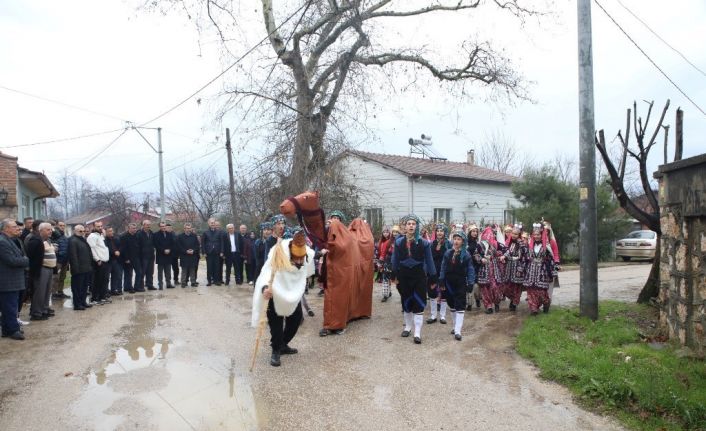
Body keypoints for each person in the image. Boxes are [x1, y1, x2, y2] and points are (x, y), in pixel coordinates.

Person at [251, 228, 314, 367]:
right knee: (276, 325)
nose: (298, 261)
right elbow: (266, 275)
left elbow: (307, 269)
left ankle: (283, 344)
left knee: (296, 319)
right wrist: (265, 289)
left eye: (301, 258)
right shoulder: (278, 254)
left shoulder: (304, 255)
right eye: (295, 258)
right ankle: (275, 350)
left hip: (293, 294)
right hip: (275, 294)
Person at [391, 214, 436, 344]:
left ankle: (417, 333)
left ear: (417, 226)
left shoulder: (424, 243)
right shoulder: (399, 242)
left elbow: (429, 260)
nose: (411, 226)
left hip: (419, 276)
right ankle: (408, 327)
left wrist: (433, 277)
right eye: (409, 224)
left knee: (419, 303)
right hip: (404, 276)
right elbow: (395, 259)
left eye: (413, 224)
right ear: (405, 227)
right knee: (406, 302)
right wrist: (394, 274)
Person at [439, 231, 475, 341]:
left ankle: (458, 331)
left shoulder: (466, 255)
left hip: (460, 282)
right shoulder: (448, 253)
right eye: (455, 239)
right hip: (449, 282)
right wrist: (441, 279)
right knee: (452, 304)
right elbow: (443, 267)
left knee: (460, 304)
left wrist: (471, 282)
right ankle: (454, 326)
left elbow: (470, 269)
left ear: (463, 242)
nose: (456, 241)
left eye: (459, 239)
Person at [0, 218, 29, 340]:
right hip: (8, 280)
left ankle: (7, 329)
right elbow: (11, 260)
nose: (17, 228)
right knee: (10, 306)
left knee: (10, 306)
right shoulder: (2, 242)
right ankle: (13, 330)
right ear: (6, 229)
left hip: (13, 279)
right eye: (14, 227)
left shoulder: (11, 240)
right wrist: (26, 260)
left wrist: (23, 259)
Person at [523, 223, 558, 315]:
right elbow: (526, 257)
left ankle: (546, 302)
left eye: (538, 234)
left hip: (542, 271)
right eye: (534, 234)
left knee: (541, 290)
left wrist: (553, 269)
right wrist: (523, 267)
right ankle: (533, 308)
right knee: (530, 289)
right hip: (531, 270)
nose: (536, 236)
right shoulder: (530, 246)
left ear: (541, 235)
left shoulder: (546, 246)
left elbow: (551, 258)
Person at [26, 221, 56, 321]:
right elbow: (32, 256)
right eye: (48, 230)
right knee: (40, 292)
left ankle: (44, 310)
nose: (50, 231)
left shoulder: (48, 240)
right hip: (41, 269)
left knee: (47, 291)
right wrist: (35, 270)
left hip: (49, 268)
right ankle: (36, 313)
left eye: (51, 229)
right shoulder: (35, 240)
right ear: (41, 230)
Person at [475, 225, 506, 314]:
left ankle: (496, 302)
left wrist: (501, 255)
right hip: (483, 270)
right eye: (487, 234)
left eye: (490, 235)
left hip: (494, 269)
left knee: (495, 287)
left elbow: (503, 251)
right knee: (484, 289)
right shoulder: (479, 245)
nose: (489, 236)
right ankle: (488, 306)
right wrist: (481, 259)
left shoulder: (494, 245)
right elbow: (476, 254)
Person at [427, 223, 451, 324]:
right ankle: (433, 315)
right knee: (432, 293)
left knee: (444, 293)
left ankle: (442, 316)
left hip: (444, 271)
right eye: (438, 231)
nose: (439, 232)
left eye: (441, 231)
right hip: (433, 271)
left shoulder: (449, 244)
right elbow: (429, 258)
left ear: (445, 232)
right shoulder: (431, 244)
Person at [503, 224, 528, 311]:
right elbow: (508, 252)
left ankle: (514, 302)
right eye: (512, 233)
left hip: (518, 267)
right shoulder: (510, 242)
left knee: (517, 287)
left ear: (519, 235)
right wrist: (504, 257)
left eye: (516, 234)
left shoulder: (521, 244)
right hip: (509, 267)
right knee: (507, 286)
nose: (513, 235)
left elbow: (524, 257)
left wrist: (521, 268)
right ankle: (512, 300)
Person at [69, 225, 93, 310]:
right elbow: (73, 256)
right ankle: (77, 304)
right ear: (75, 231)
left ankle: (83, 302)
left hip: (86, 268)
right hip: (78, 270)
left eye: (84, 231)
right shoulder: (73, 240)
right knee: (77, 288)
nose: (83, 233)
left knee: (84, 287)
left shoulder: (82, 239)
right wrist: (76, 269)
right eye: (80, 231)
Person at [87, 221, 110, 304]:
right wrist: (97, 259)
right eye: (98, 226)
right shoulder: (92, 236)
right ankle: (94, 298)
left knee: (104, 280)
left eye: (101, 226)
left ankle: (102, 297)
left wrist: (103, 235)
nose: (100, 228)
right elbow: (92, 249)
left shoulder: (100, 235)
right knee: (97, 281)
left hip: (105, 261)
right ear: (93, 227)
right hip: (99, 262)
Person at [120, 223, 142, 293]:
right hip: (128, 258)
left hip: (136, 258)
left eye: (135, 228)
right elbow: (123, 249)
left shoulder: (137, 236)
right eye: (133, 228)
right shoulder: (124, 236)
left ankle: (136, 287)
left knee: (139, 272)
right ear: (129, 228)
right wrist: (126, 259)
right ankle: (128, 287)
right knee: (129, 274)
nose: (134, 229)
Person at [176, 223, 200, 287]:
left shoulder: (194, 236)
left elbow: (197, 245)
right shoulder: (180, 236)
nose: (188, 229)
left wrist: (193, 251)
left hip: (193, 255)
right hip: (184, 255)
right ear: (184, 229)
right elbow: (179, 246)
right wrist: (186, 251)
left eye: (189, 228)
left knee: (192, 269)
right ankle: (183, 282)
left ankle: (193, 282)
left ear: (191, 228)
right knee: (184, 270)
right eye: (186, 228)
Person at [153, 221, 176, 289]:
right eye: (162, 226)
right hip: (160, 255)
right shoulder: (156, 234)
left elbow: (173, 243)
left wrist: (169, 249)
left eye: (164, 226)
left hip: (168, 255)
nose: (163, 227)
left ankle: (168, 284)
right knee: (160, 272)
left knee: (168, 271)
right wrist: (163, 250)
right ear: (159, 227)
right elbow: (156, 245)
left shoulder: (169, 234)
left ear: (166, 226)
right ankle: (160, 284)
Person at [51, 221, 70, 299]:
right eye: (60, 225)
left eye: (63, 225)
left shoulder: (64, 236)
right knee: (56, 277)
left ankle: (60, 291)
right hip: (57, 260)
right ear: (57, 226)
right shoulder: (54, 235)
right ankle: (54, 293)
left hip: (65, 260)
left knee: (63, 277)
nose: (62, 227)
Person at [202, 218, 224, 286]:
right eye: (211, 223)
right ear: (209, 224)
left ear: (215, 224)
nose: (212, 224)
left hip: (217, 252)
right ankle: (209, 281)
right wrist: (204, 252)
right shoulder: (205, 232)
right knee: (209, 267)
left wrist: (222, 251)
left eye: (213, 223)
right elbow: (203, 243)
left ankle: (216, 281)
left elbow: (221, 242)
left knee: (217, 267)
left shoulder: (219, 232)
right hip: (209, 252)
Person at [466, 224, 482, 310]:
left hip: (476, 267)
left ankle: (478, 299)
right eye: (473, 231)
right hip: (467, 266)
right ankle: (469, 304)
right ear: (469, 232)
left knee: (476, 286)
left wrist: (481, 259)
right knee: (469, 285)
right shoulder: (465, 242)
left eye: (476, 231)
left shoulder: (478, 244)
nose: (475, 233)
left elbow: (480, 254)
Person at [137, 220, 156, 290]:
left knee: (150, 271)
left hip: (151, 255)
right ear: (143, 225)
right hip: (143, 256)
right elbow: (137, 245)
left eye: (149, 225)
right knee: (142, 272)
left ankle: (149, 284)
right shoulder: (139, 233)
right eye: (147, 225)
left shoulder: (151, 233)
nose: (148, 226)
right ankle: (141, 286)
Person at [105, 226, 123, 296]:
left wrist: (118, 251)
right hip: (108, 261)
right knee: (106, 277)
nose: (111, 232)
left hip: (115, 260)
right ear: (106, 232)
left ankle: (113, 290)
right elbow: (106, 249)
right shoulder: (104, 240)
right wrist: (114, 252)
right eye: (109, 231)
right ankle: (106, 291)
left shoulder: (116, 238)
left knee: (115, 276)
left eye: (111, 231)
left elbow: (121, 246)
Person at [377, 226, 393, 302]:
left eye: (387, 232)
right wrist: (380, 262)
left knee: (387, 278)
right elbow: (380, 252)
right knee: (385, 277)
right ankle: (386, 293)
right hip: (383, 261)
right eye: (384, 232)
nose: (385, 233)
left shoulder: (392, 241)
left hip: (389, 261)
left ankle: (387, 293)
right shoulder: (381, 242)